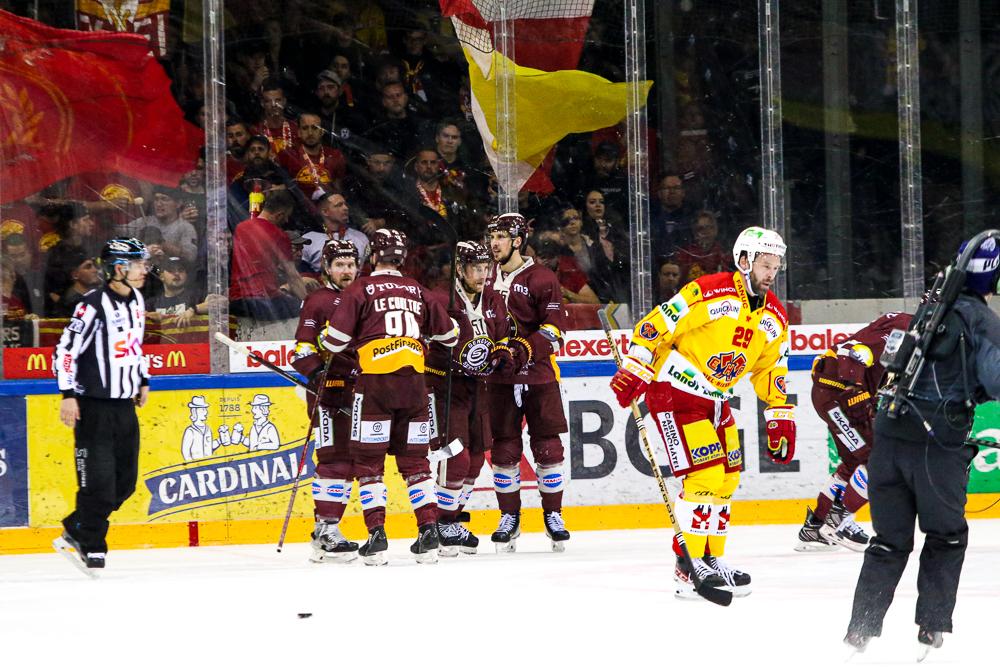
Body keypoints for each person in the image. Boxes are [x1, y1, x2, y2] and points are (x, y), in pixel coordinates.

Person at [610, 226, 795, 599]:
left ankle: (711, 558)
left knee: (727, 479)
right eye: (765, 264)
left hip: (716, 400)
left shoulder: (774, 315)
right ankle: (687, 566)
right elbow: (657, 324)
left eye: (776, 266)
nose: (771, 273)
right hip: (675, 391)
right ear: (744, 261)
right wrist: (636, 365)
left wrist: (779, 412)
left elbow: (772, 367)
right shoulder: (711, 291)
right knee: (704, 475)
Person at [844, 236, 1000, 657]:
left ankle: (860, 631)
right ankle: (930, 629)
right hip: (937, 445)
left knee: (888, 542)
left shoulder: (928, 311)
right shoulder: (981, 320)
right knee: (946, 537)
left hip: (889, 437)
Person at [322, 229, 458, 565]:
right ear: (402, 257)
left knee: (369, 463)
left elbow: (334, 341)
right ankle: (428, 531)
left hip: (375, 387)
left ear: (373, 256)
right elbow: (451, 336)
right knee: (416, 462)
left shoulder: (360, 289)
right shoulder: (418, 289)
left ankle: (377, 536)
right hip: (415, 386)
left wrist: (329, 335)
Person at [52, 238, 152, 571]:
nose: (144, 270)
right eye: (137, 264)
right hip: (93, 407)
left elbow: (134, 345)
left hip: (124, 406)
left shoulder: (137, 299)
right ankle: (92, 543)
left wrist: (143, 379)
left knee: (125, 484)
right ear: (118, 268)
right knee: (98, 483)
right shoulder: (91, 305)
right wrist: (68, 394)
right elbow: (66, 350)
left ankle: (76, 526)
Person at [483, 213, 571, 552]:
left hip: (538, 374)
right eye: (492, 237)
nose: (494, 243)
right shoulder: (484, 276)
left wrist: (522, 350)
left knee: (548, 447)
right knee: (504, 448)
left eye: (501, 237)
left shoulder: (542, 277)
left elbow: (554, 330)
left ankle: (553, 515)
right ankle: (510, 517)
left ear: (518, 241)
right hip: (498, 377)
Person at [796, 311, 913, 553]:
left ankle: (816, 528)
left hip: (834, 396)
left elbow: (883, 371)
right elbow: (853, 350)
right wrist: (854, 390)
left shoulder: (914, 326)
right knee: (878, 459)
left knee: (855, 462)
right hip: (838, 397)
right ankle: (837, 523)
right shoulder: (907, 327)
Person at [425, 241, 507, 556]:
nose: (483, 274)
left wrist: (503, 353)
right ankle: (443, 523)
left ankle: (451, 517)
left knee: (475, 459)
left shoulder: (493, 299)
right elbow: (421, 341)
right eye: (476, 268)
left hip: (480, 387)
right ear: (460, 269)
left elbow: (502, 335)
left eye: (487, 267)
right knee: (454, 456)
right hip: (446, 387)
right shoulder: (439, 299)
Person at [290, 239, 363, 564]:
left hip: (360, 391)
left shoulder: (364, 297)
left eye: (351, 265)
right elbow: (302, 349)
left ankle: (327, 528)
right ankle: (326, 529)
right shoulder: (317, 301)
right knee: (335, 459)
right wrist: (317, 372)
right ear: (327, 268)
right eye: (340, 265)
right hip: (329, 392)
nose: (346, 271)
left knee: (351, 463)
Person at [229, 189, 316, 321]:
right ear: (279, 215)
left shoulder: (240, 228)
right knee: (305, 310)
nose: (287, 220)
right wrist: (308, 303)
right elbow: (292, 276)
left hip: (238, 301)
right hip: (264, 302)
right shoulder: (279, 235)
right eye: (286, 216)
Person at [276, 112, 347, 201]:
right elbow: (280, 188)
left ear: (322, 131)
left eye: (315, 128)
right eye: (305, 128)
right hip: (298, 206)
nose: (310, 133)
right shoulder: (287, 155)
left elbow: (338, 190)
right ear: (299, 132)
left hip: (328, 205)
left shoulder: (335, 155)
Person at [302, 192, 370, 270]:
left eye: (345, 204)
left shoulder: (360, 237)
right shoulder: (308, 240)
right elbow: (303, 273)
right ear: (325, 212)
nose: (346, 208)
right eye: (339, 205)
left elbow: (369, 269)